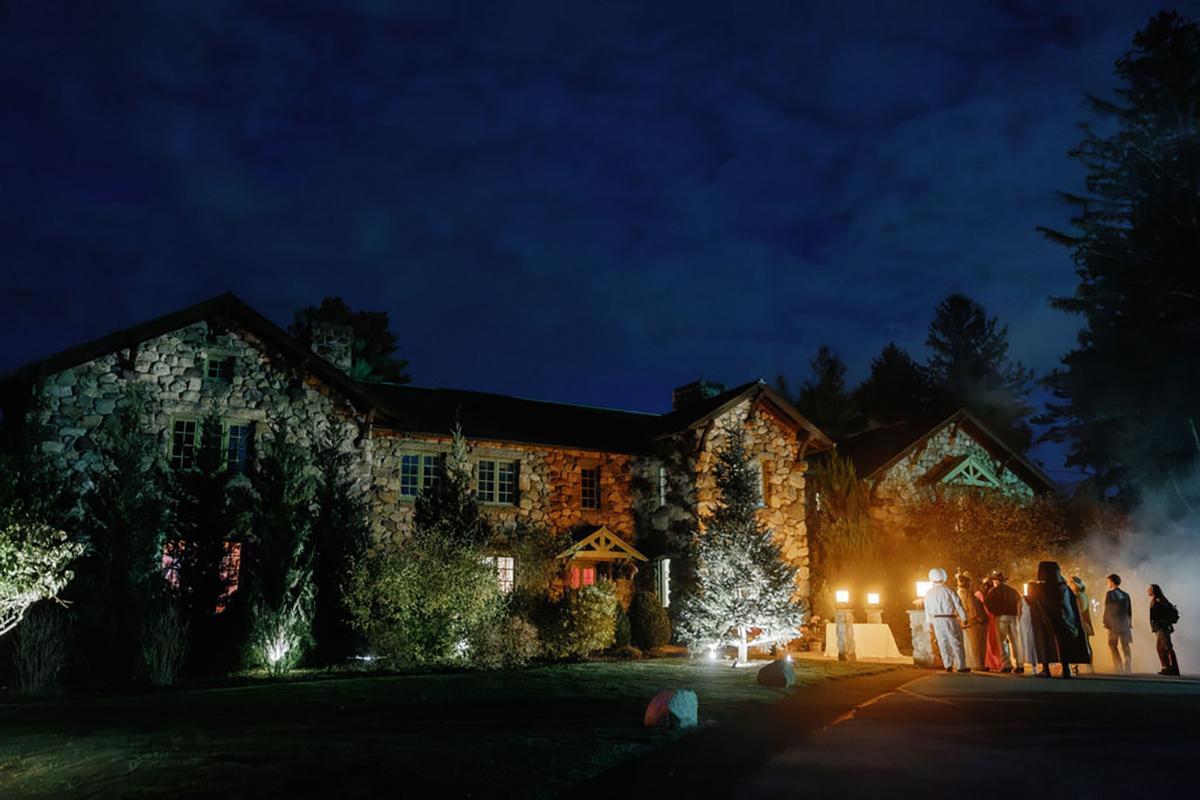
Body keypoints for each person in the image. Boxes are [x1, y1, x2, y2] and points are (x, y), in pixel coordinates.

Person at [1027, 561, 1092, 679]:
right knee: (1064, 644)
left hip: (1045, 622)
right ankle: (1066, 669)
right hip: (1064, 621)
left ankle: (1046, 669)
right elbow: (1069, 605)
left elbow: (1034, 603)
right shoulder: (1064, 588)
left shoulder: (1040, 589)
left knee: (1044, 643)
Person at [924, 568, 970, 672]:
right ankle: (961, 666)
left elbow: (927, 608)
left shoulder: (928, 593)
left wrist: (929, 622)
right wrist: (964, 617)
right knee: (956, 642)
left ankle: (948, 665)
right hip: (950, 618)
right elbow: (958, 604)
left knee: (942, 642)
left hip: (936, 620)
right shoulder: (949, 590)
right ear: (943, 577)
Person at [984, 571, 1024, 673]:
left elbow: (987, 603)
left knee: (1002, 641)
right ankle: (1020, 664)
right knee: (1016, 640)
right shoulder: (1014, 591)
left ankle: (1006, 664)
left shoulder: (994, 591)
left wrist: (995, 611)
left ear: (997, 581)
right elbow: (1020, 603)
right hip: (1013, 617)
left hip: (1001, 617)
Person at [1102, 573, 1133, 673]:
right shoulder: (1126, 595)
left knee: (1112, 644)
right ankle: (1128, 665)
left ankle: (1118, 666)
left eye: (1108, 581)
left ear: (1112, 582)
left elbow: (1108, 609)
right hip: (1124, 623)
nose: (1107, 583)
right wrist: (1129, 623)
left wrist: (1105, 621)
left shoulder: (1110, 594)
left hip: (1114, 624)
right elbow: (1129, 611)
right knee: (1125, 645)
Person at [1147, 584, 1181, 676]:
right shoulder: (1160, 600)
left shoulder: (1158, 600)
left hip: (1163, 627)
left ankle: (1169, 668)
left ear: (1154, 590)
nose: (1148, 591)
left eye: (1149, 589)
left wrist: (1158, 625)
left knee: (1164, 647)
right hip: (1162, 627)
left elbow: (1157, 616)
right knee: (1164, 647)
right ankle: (1170, 668)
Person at [957, 574, 988, 670]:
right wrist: (977, 617)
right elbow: (971, 608)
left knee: (966, 644)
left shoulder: (957, 593)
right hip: (972, 621)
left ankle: (966, 663)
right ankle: (977, 664)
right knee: (975, 644)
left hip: (962, 621)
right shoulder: (967, 594)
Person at [1068, 576, 1095, 674]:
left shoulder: (1078, 595)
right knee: (1085, 645)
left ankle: (1078, 666)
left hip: (1080, 624)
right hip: (1082, 624)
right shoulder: (1082, 595)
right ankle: (1088, 666)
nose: (1070, 585)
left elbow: (1080, 610)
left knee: (1079, 645)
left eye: (1071, 583)